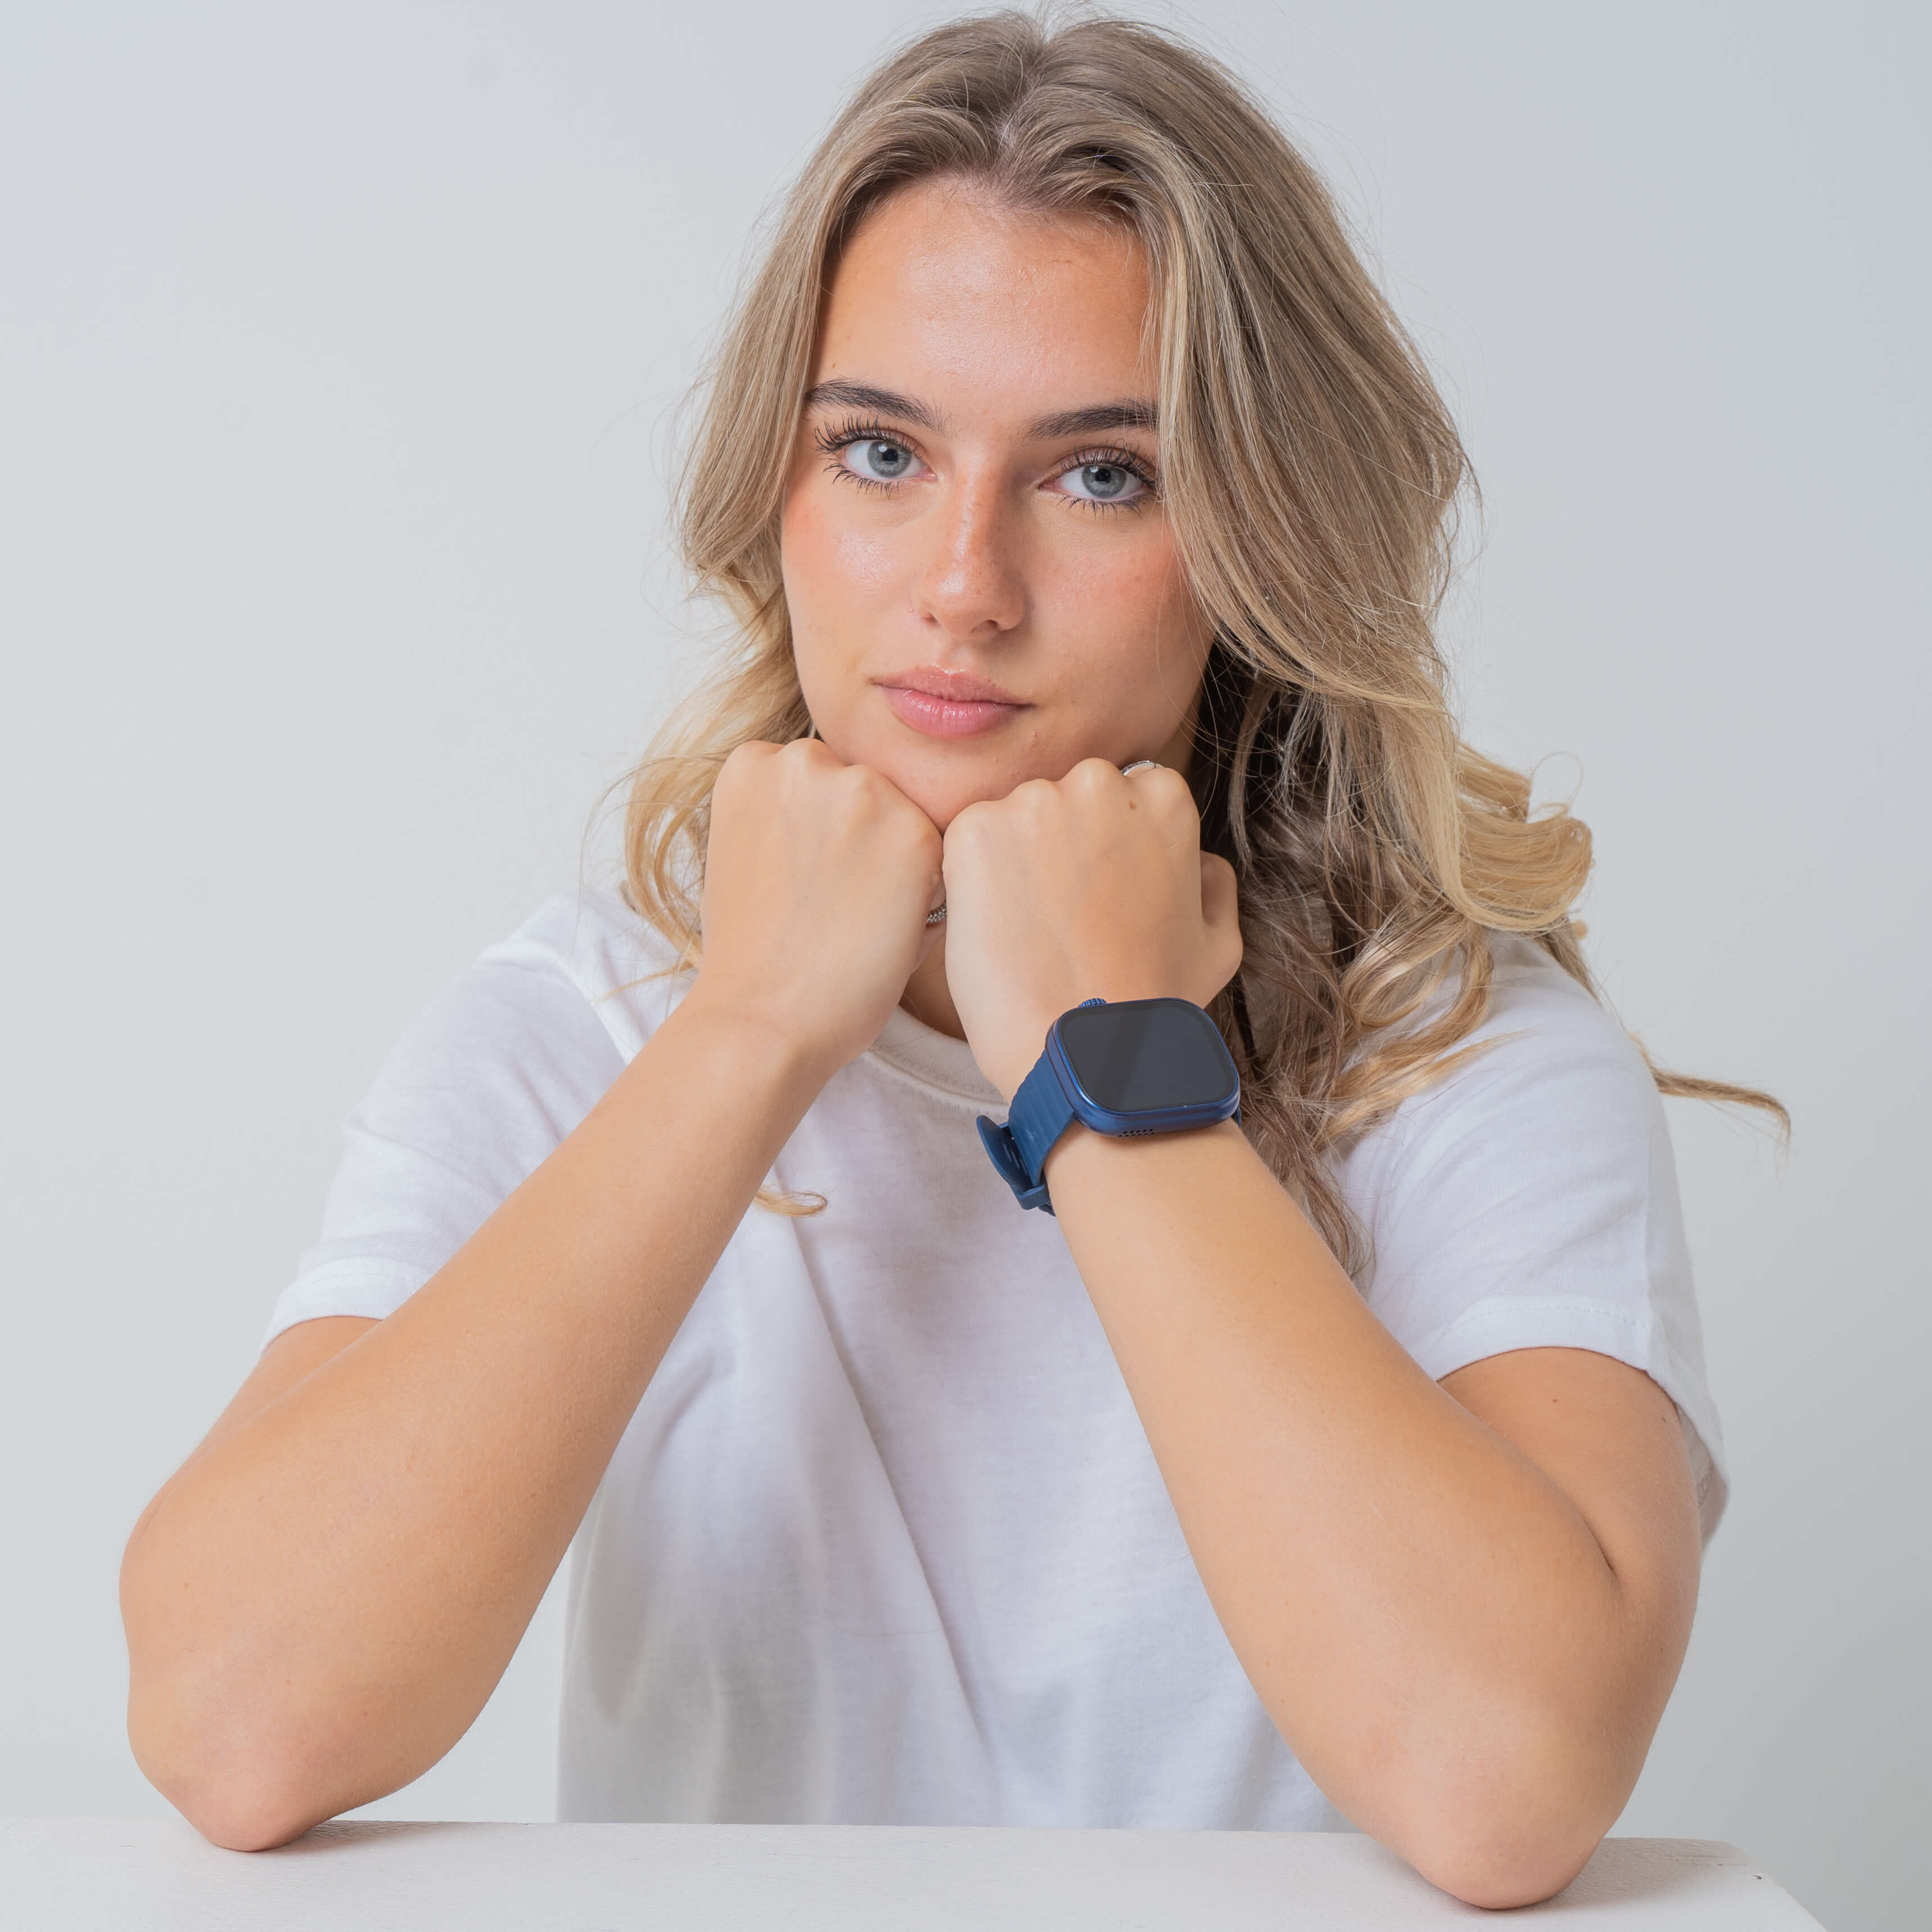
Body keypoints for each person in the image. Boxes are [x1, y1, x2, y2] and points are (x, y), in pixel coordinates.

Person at [119, 9, 1782, 1908]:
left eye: (1101, 478)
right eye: (882, 449)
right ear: (780, 489)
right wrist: (746, 1028)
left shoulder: (1463, 1056)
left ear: (1260, 534)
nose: (963, 585)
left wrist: (1115, 1056)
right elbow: (240, 1721)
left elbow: (1504, 1782)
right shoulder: (583, 1027)